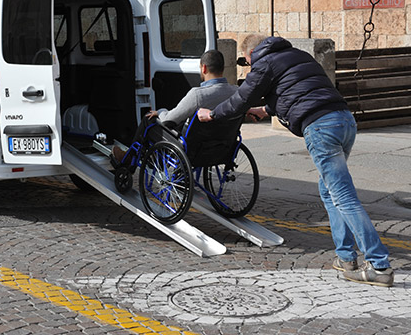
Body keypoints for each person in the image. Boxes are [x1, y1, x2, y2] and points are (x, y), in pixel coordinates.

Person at [197, 34, 394, 287]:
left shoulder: (263, 62)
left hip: (320, 127)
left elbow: (241, 99)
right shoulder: (299, 56)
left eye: (248, 61)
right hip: (344, 120)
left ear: (252, 53)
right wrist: (266, 110)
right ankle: (346, 258)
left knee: (343, 196)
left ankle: (379, 265)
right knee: (329, 191)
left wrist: (212, 114)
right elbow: (300, 90)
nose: (250, 64)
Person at [111, 49, 238, 163]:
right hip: (221, 149)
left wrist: (160, 111)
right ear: (222, 68)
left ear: (203, 68)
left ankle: (129, 158)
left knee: (148, 120)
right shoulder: (236, 92)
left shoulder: (198, 94)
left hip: (194, 151)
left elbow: (169, 119)